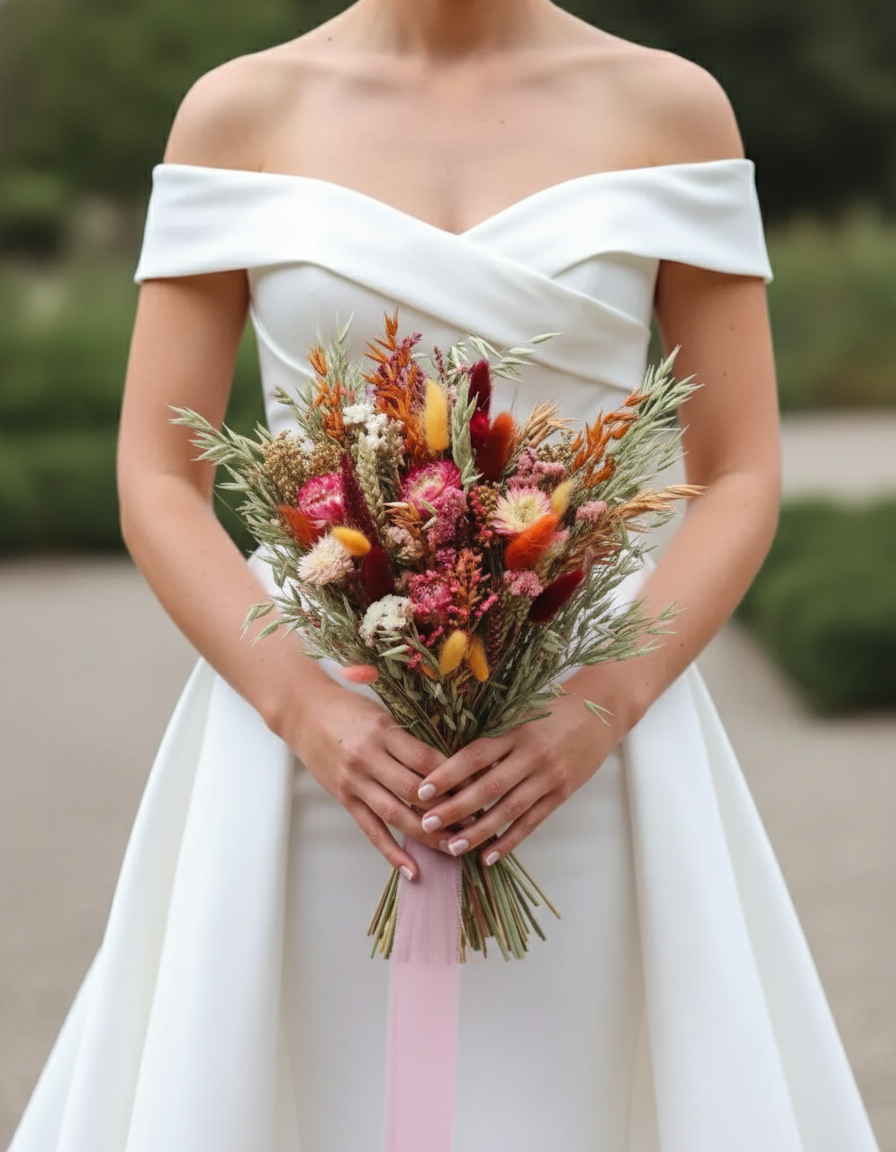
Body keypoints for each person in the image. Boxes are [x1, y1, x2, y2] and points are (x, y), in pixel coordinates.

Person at [7, 1, 882, 1150]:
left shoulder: (669, 108)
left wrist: (594, 709)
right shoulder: (238, 111)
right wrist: (305, 710)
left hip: (583, 758)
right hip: (307, 765)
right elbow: (154, 476)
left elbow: (739, 475)